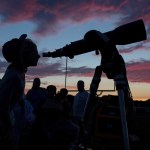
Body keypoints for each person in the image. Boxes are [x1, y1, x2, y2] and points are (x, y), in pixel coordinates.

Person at [0, 34, 40, 150]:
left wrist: (20, 43)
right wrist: (8, 130)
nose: (38, 56)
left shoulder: (15, 70)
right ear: (23, 55)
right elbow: (2, 107)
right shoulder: (14, 77)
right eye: (34, 53)